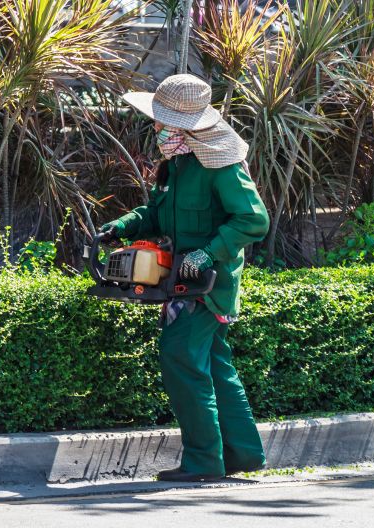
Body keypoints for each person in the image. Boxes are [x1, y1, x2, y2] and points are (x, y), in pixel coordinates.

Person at [101, 74, 270, 482]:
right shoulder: (179, 162)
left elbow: (254, 219)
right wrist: (121, 225)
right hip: (182, 279)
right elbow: (158, 213)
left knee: (181, 358)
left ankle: (203, 462)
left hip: (206, 286)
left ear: (185, 125)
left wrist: (207, 253)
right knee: (213, 365)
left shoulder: (221, 167)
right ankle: (243, 455)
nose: (156, 127)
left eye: (161, 121)